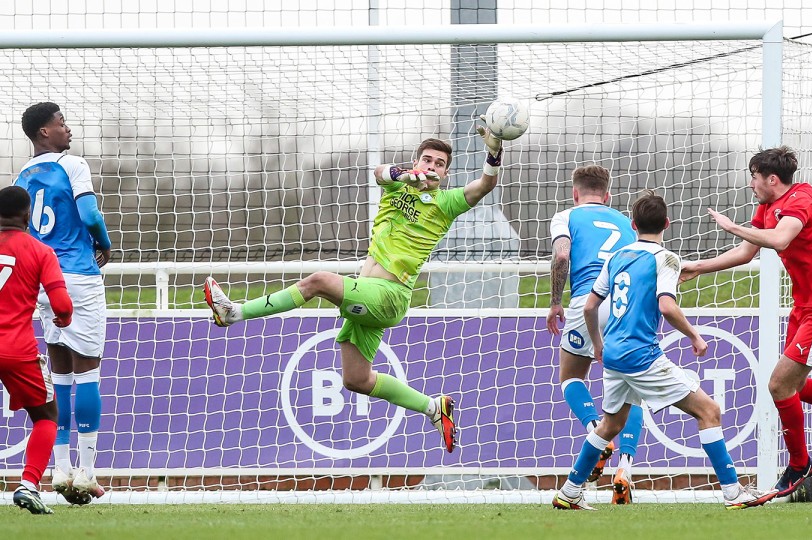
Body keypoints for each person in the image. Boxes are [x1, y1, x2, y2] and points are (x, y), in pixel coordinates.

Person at [204, 126, 505, 453]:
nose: (432, 166)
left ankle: (234, 313)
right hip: (369, 294)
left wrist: (494, 152)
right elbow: (380, 172)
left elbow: (484, 185)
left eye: (439, 164)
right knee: (356, 379)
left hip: (390, 296)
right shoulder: (396, 186)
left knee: (318, 281)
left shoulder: (447, 202)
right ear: (416, 162)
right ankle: (433, 408)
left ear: (445, 174)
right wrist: (405, 176)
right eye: (427, 160)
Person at [680, 146, 812, 497]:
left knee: (778, 385)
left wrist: (732, 226)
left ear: (772, 179)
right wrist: (699, 267)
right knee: (792, 386)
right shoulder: (765, 207)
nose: (751, 184)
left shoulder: (801, 199)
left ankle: (800, 465)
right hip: (805, 308)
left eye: (754, 178)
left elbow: (780, 238)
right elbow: (746, 253)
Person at [552, 191, 775, 511]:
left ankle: (570, 491)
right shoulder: (665, 258)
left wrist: (598, 345)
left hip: (613, 354)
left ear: (633, 225)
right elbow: (667, 307)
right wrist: (695, 336)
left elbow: (589, 307)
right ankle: (732, 492)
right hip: (641, 356)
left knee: (610, 425)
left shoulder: (617, 257)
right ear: (667, 224)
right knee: (709, 411)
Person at [14, 102, 112, 503]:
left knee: (60, 374)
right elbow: (89, 214)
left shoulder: (22, 176)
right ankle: (86, 472)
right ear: (44, 132)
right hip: (77, 275)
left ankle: (60, 468)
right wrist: (105, 243)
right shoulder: (73, 165)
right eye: (61, 122)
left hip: (43, 278)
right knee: (87, 371)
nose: (67, 128)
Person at [546, 164, 644, 505]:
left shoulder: (566, 216)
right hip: (626, 305)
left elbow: (562, 255)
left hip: (588, 301)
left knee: (571, 377)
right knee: (632, 391)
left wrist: (555, 302)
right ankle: (625, 469)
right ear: (608, 195)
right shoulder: (626, 222)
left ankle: (595, 433)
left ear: (575, 194)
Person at [0, 186, 74, 515]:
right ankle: (28, 485)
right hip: (17, 350)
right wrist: (64, 317)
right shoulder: (41, 251)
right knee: (47, 417)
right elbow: (62, 305)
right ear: (27, 214)